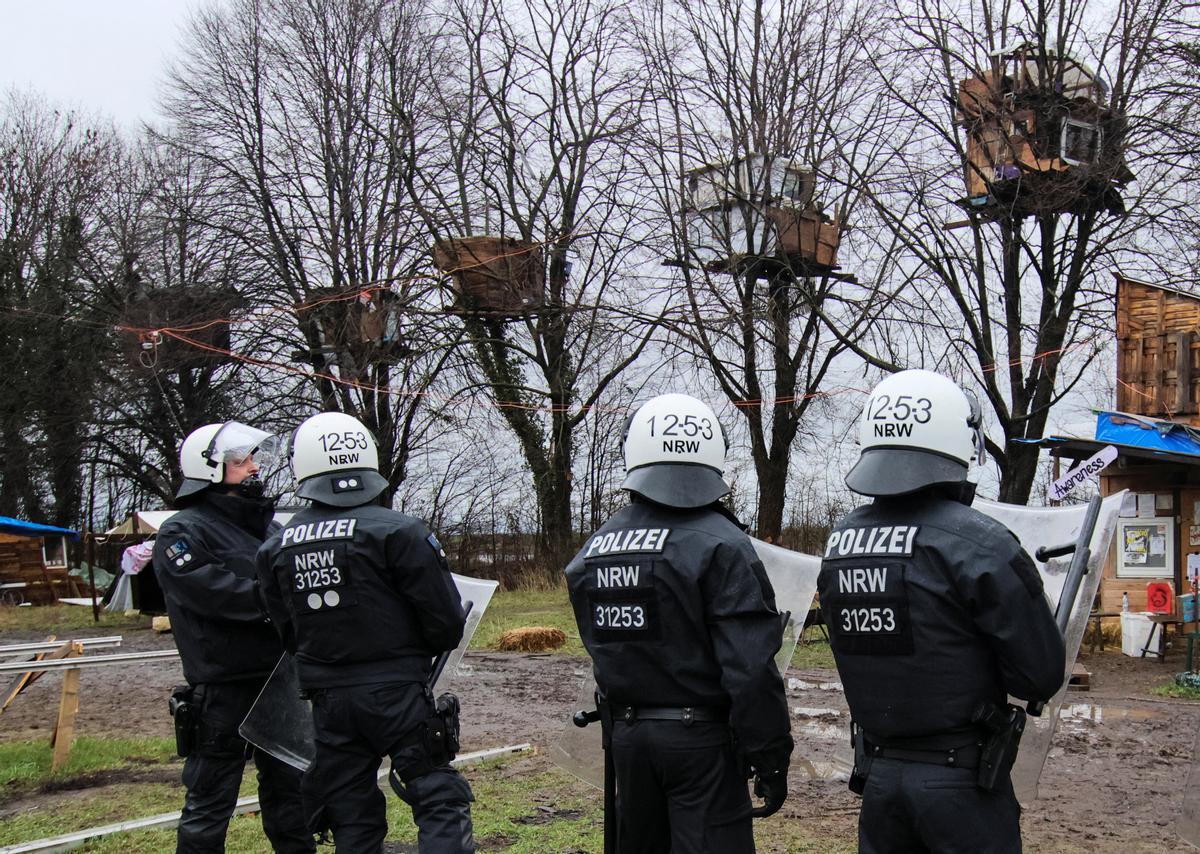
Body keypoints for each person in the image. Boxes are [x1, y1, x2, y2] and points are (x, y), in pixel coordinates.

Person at [818, 369, 1066, 854]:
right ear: (960, 441)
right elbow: (1039, 676)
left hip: (880, 779)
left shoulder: (840, 542)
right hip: (961, 785)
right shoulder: (981, 542)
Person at [565, 393, 793, 854]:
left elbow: (602, 644)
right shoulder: (722, 542)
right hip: (700, 745)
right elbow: (749, 669)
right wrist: (770, 753)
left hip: (627, 739)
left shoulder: (597, 546)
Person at [256, 411, 475, 853]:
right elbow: (446, 622)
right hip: (398, 694)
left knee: (350, 814)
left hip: (328, 702)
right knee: (437, 794)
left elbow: (287, 632)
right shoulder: (400, 531)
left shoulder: (276, 546)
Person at [152, 422, 314, 854]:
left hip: (279, 682)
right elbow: (215, 594)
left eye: (251, 459)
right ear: (209, 469)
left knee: (291, 792)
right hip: (223, 688)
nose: (254, 468)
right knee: (210, 798)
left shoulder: (268, 529)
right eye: (241, 461)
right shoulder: (181, 532)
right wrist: (279, 600)